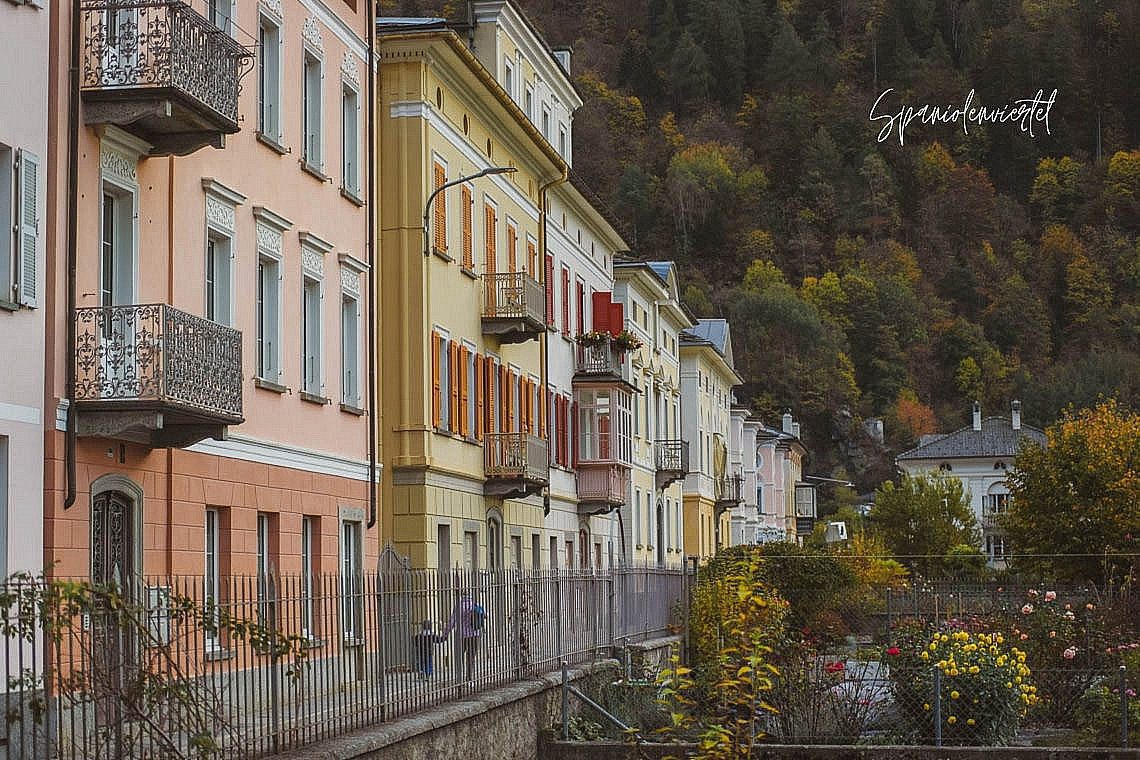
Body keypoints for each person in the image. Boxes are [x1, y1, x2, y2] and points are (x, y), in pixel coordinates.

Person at [440, 591, 484, 682]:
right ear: (470, 596)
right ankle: (469, 677)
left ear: (461, 596)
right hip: (475, 634)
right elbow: (485, 615)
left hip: (461, 635)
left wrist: (445, 634)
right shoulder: (475, 605)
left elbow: (452, 622)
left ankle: (459, 676)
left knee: (459, 656)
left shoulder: (458, 607)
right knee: (471, 656)